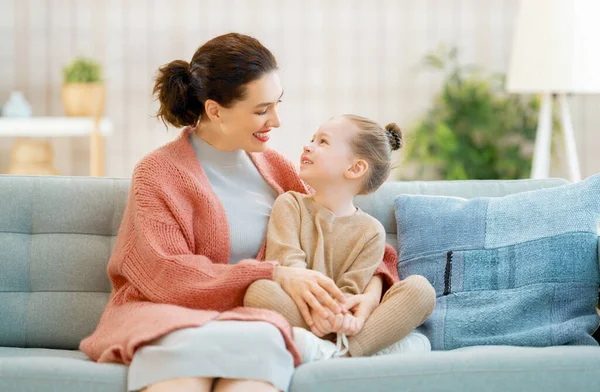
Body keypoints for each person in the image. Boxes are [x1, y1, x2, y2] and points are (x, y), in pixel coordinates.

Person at [79, 33, 400, 392]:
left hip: (255, 321)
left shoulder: (280, 171)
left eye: (277, 104)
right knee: (181, 377)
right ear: (215, 110)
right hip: (169, 316)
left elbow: (364, 242)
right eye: (262, 110)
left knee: (254, 373)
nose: (276, 121)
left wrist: (369, 296)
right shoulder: (157, 173)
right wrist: (276, 273)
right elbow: (165, 274)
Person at [244, 115, 436, 362]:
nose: (308, 145)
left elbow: (352, 290)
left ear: (356, 168)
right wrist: (323, 313)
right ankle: (359, 349)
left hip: (341, 317)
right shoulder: (290, 204)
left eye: (323, 142)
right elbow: (287, 264)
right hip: (301, 306)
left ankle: (338, 352)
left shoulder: (371, 231)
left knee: (420, 289)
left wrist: (342, 315)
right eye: (312, 139)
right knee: (259, 291)